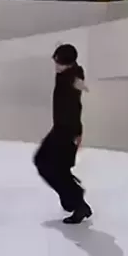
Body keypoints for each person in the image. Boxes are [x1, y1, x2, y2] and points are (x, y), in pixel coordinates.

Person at [34, 44, 92, 224]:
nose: (56, 66)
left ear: (69, 63)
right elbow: (76, 74)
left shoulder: (70, 77)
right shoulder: (66, 73)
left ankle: (78, 202)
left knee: (50, 166)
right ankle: (73, 199)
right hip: (61, 128)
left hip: (67, 130)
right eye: (56, 62)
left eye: (59, 63)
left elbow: (75, 81)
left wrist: (77, 82)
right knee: (50, 165)